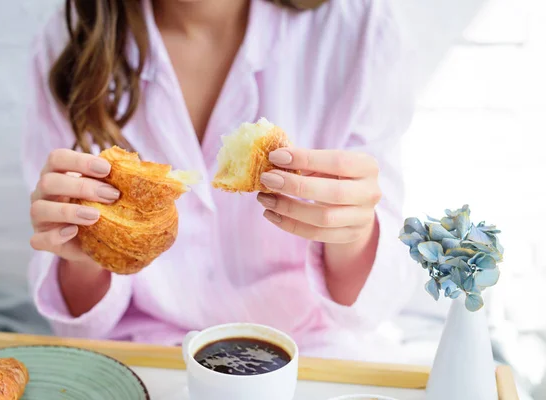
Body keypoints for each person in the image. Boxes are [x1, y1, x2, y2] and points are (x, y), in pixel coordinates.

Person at [23, 0, 418, 360]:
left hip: (309, 349)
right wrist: (86, 248)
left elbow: (371, 304)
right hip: (142, 351)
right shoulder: (73, 41)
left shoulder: (361, 29)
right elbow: (78, 316)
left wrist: (353, 231)